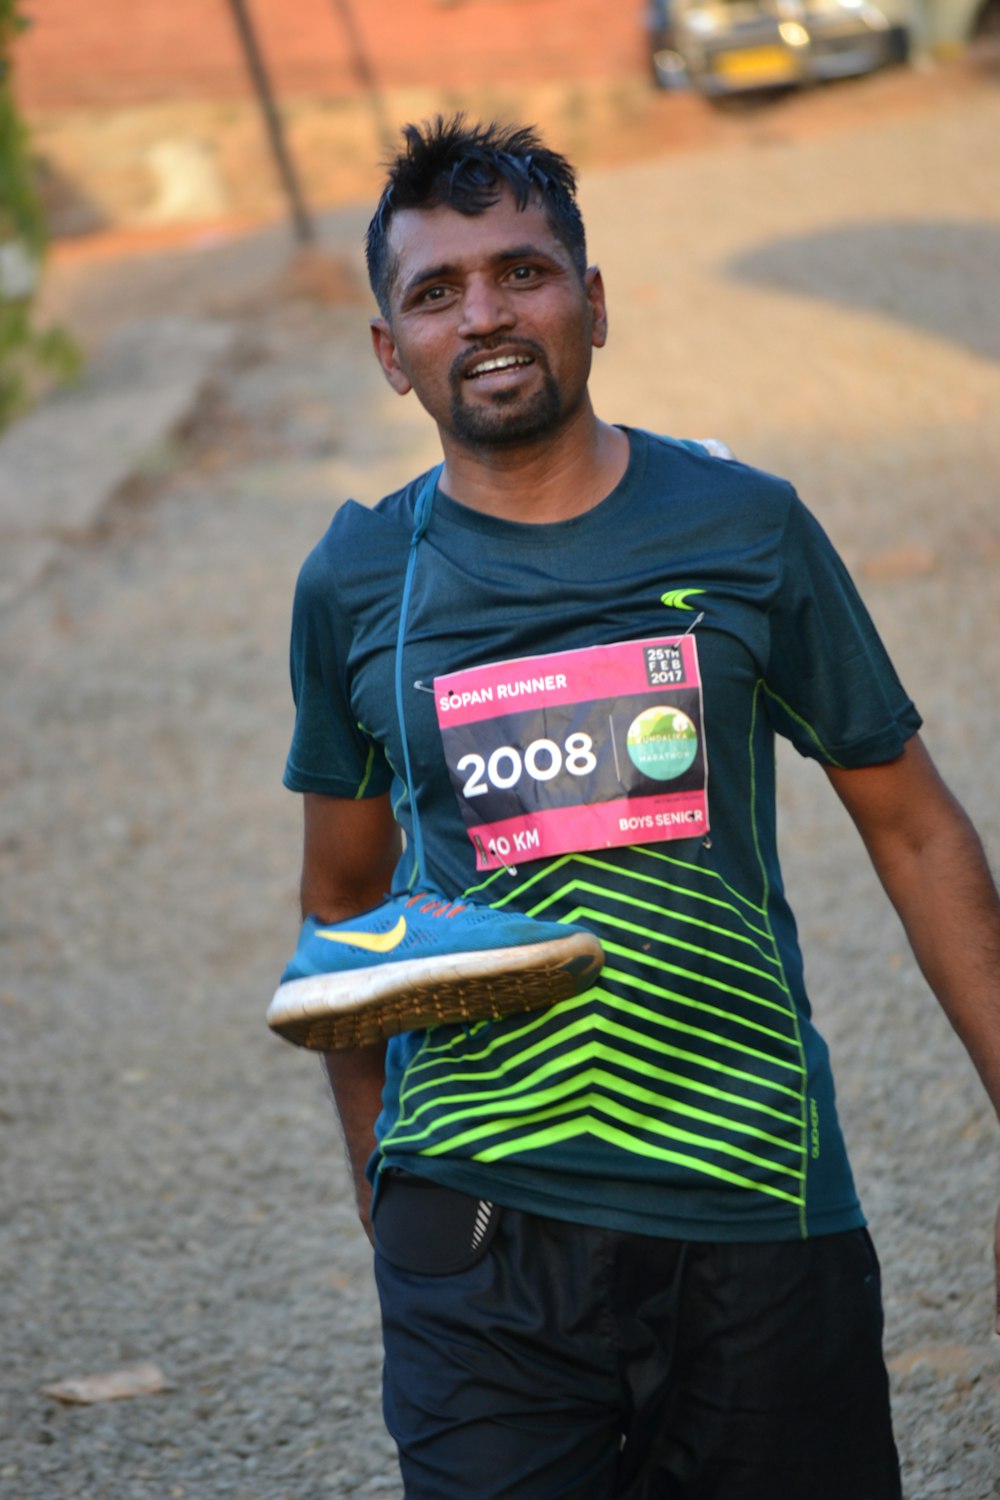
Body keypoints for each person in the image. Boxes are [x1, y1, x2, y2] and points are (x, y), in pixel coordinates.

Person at [275, 115, 1000, 1499]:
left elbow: (913, 825)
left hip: (757, 1202)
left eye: (522, 272)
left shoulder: (746, 527)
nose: (484, 317)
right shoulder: (360, 580)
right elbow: (340, 906)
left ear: (593, 303)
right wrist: (390, 1188)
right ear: (390, 352)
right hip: (478, 1231)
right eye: (436, 292)